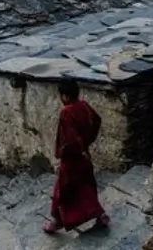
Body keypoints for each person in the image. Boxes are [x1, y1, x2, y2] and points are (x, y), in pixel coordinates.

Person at [42, 81, 110, 234]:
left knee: (62, 190)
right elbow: (97, 120)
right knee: (86, 187)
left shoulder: (67, 112)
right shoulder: (84, 105)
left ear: (64, 96)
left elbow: (71, 140)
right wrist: (87, 142)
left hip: (72, 159)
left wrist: (68, 152)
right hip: (84, 156)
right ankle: (100, 215)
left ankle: (57, 221)